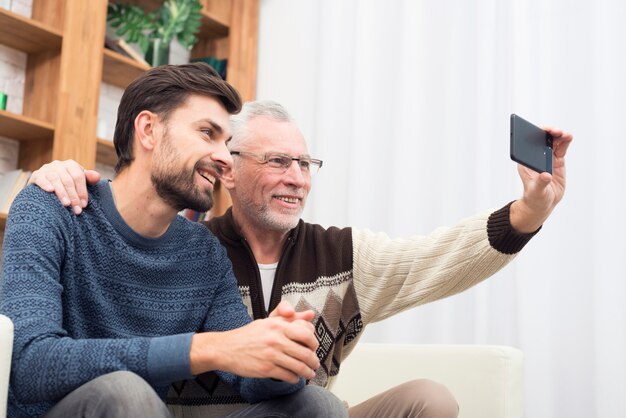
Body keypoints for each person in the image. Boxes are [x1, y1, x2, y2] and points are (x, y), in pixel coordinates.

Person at [29, 100, 573, 418]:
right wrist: (59, 176)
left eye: (306, 163)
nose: (297, 177)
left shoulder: (343, 254)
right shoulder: (191, 248)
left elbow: (438, 259)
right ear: (229, 168)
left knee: (425, 400)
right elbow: (131, 215)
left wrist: (529, 210)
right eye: (278, 161)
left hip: (296, 413)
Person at [0, 67, 350, 418]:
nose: (225, 158)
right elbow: (30, 363)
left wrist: (281, 358)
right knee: (126, 391)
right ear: (149, 130)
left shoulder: (202, 252)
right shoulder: (50, 208)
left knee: (316, 405)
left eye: (226, 144)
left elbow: (246, 376)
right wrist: (205, 349)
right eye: (207, 134)